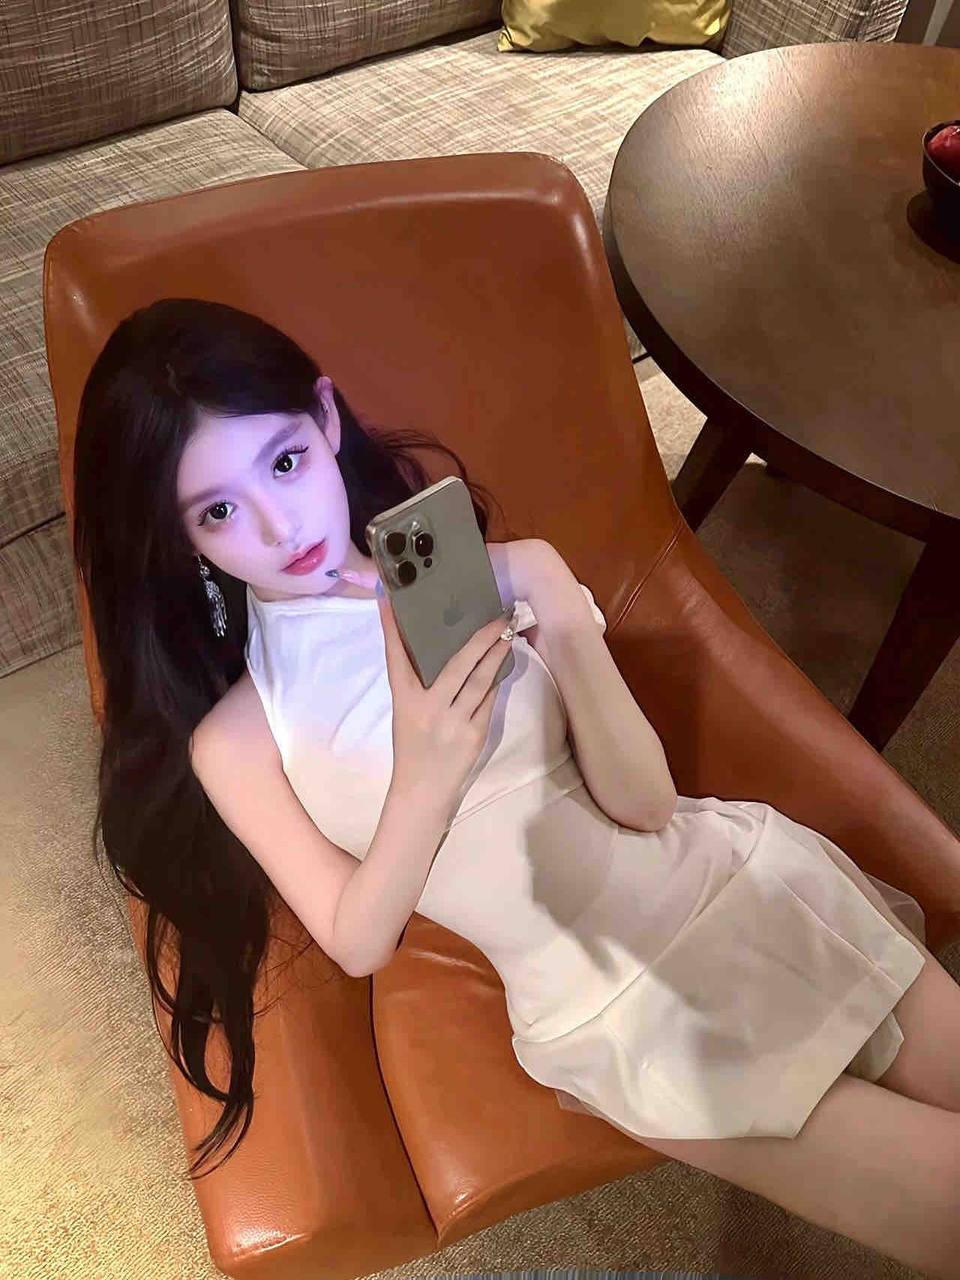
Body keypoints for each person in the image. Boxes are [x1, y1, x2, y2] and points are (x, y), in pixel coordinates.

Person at [73, 298, 960, 1277]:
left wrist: (558, 606)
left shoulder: (462, 575)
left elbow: (646, 804)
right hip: (616, 1010)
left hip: (731, 875)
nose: (280, 526)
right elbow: (358, 938)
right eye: (218, 510)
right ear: (180, 539)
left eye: (283, 462)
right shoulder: (239, 736)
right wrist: (425, 773)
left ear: (325, 420)